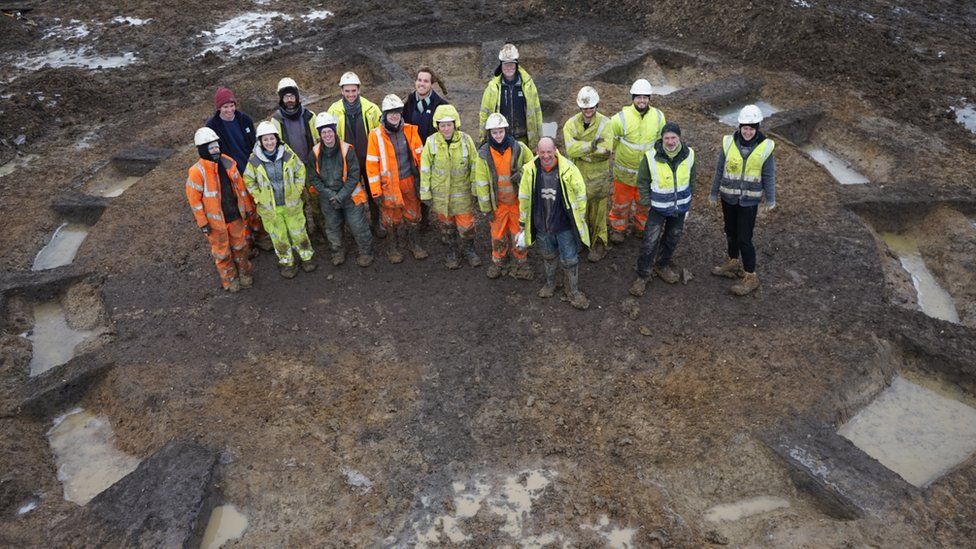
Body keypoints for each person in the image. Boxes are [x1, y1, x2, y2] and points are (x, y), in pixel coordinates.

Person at [709, 104, 776, 296]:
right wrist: (713, 193)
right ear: (739, 127)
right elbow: (720, 170)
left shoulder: (765, 147)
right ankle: (732, 262)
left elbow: (769, 175)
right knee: (730, 232)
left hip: (749, 202)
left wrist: (770, 199)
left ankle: (750, 275)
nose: (747, 132)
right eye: (744, 128)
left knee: (744, 238)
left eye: (751, 128)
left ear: (757, 128)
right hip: (728, 197)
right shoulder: (728, 143)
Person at [516, 137, 590, 310]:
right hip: (542, 226)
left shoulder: (569, 170)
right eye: (542, 152)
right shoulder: (530, 171)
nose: (546, 155)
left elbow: (580, 196)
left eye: (549, 151)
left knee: (570, 259)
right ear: (536, 152)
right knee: (548, 256)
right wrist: (522, 221)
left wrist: (579, 218)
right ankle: (550, 284)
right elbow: (524, 198)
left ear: (555, 150)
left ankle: (572, 291)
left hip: (564, 226)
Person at [629, 122, 696, 297]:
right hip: (658, 208)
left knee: (673, 237)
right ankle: (643, 274)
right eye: (667, 138)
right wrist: (645, 200)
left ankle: (662, 265)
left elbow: (692, 179)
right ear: (662, 139)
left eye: (674, 137)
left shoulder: (689, 155)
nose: (670, 141)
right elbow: (642, 180)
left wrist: (689, 198)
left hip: (679, 207)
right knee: (650, 241)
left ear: (679, 138)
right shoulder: (651, 156)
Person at [242, 121, 316, 278]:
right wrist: (259, 196)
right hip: (270, 209)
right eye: (265, 139)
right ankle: (287, 263)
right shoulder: (254, 161)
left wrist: (296, 190)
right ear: (260, 141)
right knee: (279, 237)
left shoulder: (288, 155)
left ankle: (306, 258)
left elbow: (300, 171)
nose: (269, 142)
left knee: (299, 233)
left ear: (277, 138)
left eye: (272, 138)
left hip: (291, 203)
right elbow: (249, 180)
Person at [185, 127, 253, 292]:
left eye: (216, 146)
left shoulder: (228, 162)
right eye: (211, 147)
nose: (215, 150)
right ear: (203, 149)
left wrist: (248, 207)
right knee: (222, 253)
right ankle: (229, 280)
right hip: (215, 223)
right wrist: (203, 223)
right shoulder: (196, 172)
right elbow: (194, 201)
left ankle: (244, 273)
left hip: (234, 215)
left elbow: (240, 187)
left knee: (240, 246)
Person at [205, 87, 272, 253]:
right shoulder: (212, 126)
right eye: (225, 107)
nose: (229, 110)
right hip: (229, 175)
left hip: (249, 169)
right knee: (239, 210)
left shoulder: (245, 120)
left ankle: (262, 236)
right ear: (218, 108)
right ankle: (247, 243)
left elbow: (255, 146)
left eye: (231, 105)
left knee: (256, 204)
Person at [365, 94, 427, 263]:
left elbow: (422, 159)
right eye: (390, 112)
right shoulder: (375, 136)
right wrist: (376, 192)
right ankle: (393, 248)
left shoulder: (411, 130)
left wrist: (425, 183)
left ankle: (414, 244)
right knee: (391, 219)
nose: (394, 115)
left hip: (409, 181)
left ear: (401, 113)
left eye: (397, 112)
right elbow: (371, 165)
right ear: (384, 114)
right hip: (389, 185)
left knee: (413, 215)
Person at [309, 112, 374, 268]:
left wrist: (341, 195)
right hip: (328, 197)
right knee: (332, 227)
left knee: (358, 226)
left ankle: (366, 252)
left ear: (334, 131)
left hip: (350, 195)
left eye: (329, 131)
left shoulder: (347, 150)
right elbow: (314, 178)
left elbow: (354, 176)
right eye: (323, 132)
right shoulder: (314, 153)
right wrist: (331, 195)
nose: (327, 135)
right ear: (320, 134)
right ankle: (337, 252)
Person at [473, 113, 533, 280]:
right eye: (494, 132)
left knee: (518, 234)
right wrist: (487, 209)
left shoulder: (519, 148)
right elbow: (482, 183)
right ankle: (499, 261)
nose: (498, 135)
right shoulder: (484, 155)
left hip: (516, 202)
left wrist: (521, 174)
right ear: (489, 134)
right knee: (497, 235)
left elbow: (532, 164)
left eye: (500, 131)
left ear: (506, 131)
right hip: (497, 204)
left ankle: (521, 262)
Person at [420, 104, 480, 269]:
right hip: (440, 197)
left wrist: (476, 190)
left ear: (455, 124)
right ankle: (452, 251)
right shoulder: (431, 143)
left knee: (466, 226)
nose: (446, 128)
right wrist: (425, 194)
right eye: (442, 125)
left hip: (462, 195)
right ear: (437, 126)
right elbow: (425, 170)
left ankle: (469, 250)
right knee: (446, 227)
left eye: (449, 124)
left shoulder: (466, 140)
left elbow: (475, 166)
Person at [326, 72, 385, 237]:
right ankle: (358, 226)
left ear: (359, 90)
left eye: (353, 90)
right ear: (342, 91)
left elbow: (379, 134)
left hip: (369, 160)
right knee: (352, 195)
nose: (350, 94)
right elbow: (329, 137)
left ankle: (376, 222)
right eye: (347, 91)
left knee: (374, 192)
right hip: (348, 162)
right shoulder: (334, 111)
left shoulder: (371, 109)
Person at [609, 79, 666, 243]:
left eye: (645, 97)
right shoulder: (619, 119)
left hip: (646, 175)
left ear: (649, 98)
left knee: (644, 205)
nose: (642, 100)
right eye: (638, 97)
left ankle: (641, 228)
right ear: (632, 98)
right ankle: (618, 229)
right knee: (620, 204)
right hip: (624, 174)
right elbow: (611, 144)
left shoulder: (658, 117)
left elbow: (660, 143)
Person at [563, 86, 614, 262]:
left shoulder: (606, 124)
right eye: (585, 108)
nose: (588, 110)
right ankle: (582, 242)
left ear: (597, 106)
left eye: (591, 107)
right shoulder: (570, 124)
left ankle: (599, 243)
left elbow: (606, 151)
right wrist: (591, 146)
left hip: (599, 178)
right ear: (579, 107)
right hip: (578, 176)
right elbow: (570, 149)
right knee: (579, 211)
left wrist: (582, 151)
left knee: (599, 213)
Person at [270, 77, 322, 237]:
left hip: (310, 166)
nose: (290, 100)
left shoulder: (309, 116)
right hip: (290, 170)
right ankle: (304, 233)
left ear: (297, 97)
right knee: (296, 203)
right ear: (281, 99)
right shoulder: (276, 120)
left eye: (292, 96)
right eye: (286, 97)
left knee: (316, 200)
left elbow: (318, 141)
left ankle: (321, 230)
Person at [479, 43, 543, 147]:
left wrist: (538, 140)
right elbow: (484, 115)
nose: (508, 67)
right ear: (501, 65)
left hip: (524, 139)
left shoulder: (528, 86)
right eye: (505, 64)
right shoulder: (492, 88)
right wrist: (483, 139)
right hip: (501, 140)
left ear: (516, 65)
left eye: (511, 64)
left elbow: (537, 113)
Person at [403, 67, 450, 143]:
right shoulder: (406, 104)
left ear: (432, 84)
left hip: (434, 152)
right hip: (412, 152)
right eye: (419, 80)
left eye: (426, 81)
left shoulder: (442, 106)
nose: (421, 84)